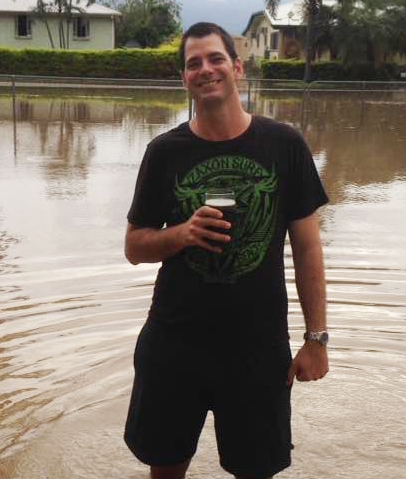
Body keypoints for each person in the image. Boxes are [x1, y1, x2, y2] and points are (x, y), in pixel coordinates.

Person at [123, 22, 329, 479]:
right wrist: (181, 234)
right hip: (175, 345)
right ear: (184, 79)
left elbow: (309, 249)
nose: (205, 69)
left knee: (256, 470)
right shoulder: (164, 153)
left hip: (257, 349)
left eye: (215, 58)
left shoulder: (284, 145)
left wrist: (316, 339)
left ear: (237, 67)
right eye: (193, 63)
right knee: (166, 466)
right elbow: (134, 246)